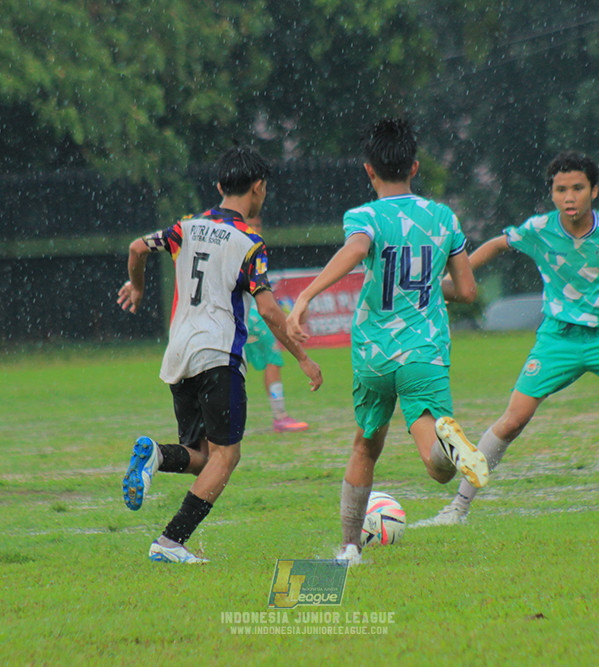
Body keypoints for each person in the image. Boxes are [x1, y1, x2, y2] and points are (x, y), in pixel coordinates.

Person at [414, 150, 599, 528]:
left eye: (578, 188)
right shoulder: (538, 229)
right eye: (561, 189)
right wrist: (452, 281)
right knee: (513, 420)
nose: (569, 197)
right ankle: (457, 508)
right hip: (557, 340)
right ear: (552, 193)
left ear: (594, 191)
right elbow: (497, 245)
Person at [287, 117, 488, 565]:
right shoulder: (443, 218)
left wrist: (305, 296)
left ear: (369, 170)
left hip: (374, 354)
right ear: (415, 166)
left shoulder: (364, 216)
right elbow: (469, 291)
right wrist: (435, 288)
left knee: (365, 444)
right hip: (424, 352)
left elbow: (358, 249)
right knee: (437, 465)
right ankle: (450, 441)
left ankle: (349, 549)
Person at [117, 145, 323, 564]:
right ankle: (170, 542)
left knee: (204, 458)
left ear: (218, 186)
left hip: (179, 355)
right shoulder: (249, 241)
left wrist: (136, 288)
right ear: (259, 188)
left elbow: (137, 247)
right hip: (218, 355)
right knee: (228, 456)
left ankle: (155, 455)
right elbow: (266, 308)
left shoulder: (186, 227)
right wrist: (302, 357)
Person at [244, 215, 310, 433]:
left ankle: (218, 420)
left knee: (233, 363)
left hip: (238, 313)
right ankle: (280, 416)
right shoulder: (247, 246)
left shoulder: (251, 246)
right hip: (247, 312)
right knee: (272, 355)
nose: (256, 228)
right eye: (251, 224)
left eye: (259, 224)